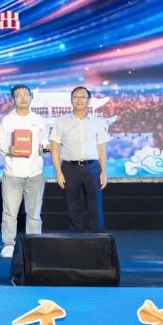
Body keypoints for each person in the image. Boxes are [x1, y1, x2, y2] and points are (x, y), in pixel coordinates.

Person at [0, 84, 48, 257]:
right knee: (10, 213)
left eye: (26, 94)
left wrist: (45, 147)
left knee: (34, 213)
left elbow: (45, 141)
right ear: (13, 99)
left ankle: (34, 244)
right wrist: (8, 149)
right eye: (18, 95)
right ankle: (9, 243)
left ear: (31, 97)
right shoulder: (7, 120)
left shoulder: (39, 119)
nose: (22, 98)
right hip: (12, 174)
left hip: (35, 173)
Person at [50, 86, 109, 232]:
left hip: (92, 167)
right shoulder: (61, 121)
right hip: (70, 168)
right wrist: (58, 172)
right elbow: (55, 149)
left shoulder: (98, 122)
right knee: (73, 206)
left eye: (83, 97)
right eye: (76, 97)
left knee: (95, 206)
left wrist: (103, 172)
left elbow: (101, 148)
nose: (79, 99)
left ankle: (97, 238)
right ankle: (76, 238)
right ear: (71, 100)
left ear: (89, 101)